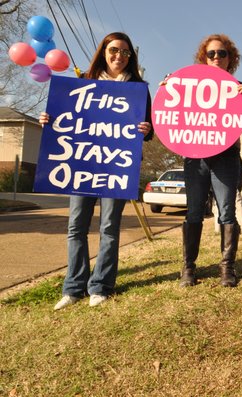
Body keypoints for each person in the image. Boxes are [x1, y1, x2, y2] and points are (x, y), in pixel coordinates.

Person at [39, 32, 154, 310]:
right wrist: (48, 120)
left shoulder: (138, 89)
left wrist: (147, 130)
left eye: (126, 52)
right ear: (104, 51)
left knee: (109, 228)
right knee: (76, 227)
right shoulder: (84, 83)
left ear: (131, 57)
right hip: (82, 166)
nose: (119, 56)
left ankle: (101, 285)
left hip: (115, 168)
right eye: (114, 50)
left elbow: (147, 131)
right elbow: (66, 120)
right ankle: (73, 287)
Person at [179, 34, 242, 288]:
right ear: (204, 57)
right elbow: (173, 114)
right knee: (194, 211)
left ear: (231, 58)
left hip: (226, 158)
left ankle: (227, 268)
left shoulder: (239, 86)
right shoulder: (188, 85)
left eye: (222, 53)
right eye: (212, 53)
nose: (217, 57)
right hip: (196, 158)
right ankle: (188, 268)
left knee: (227, 211)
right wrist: (169, 88)